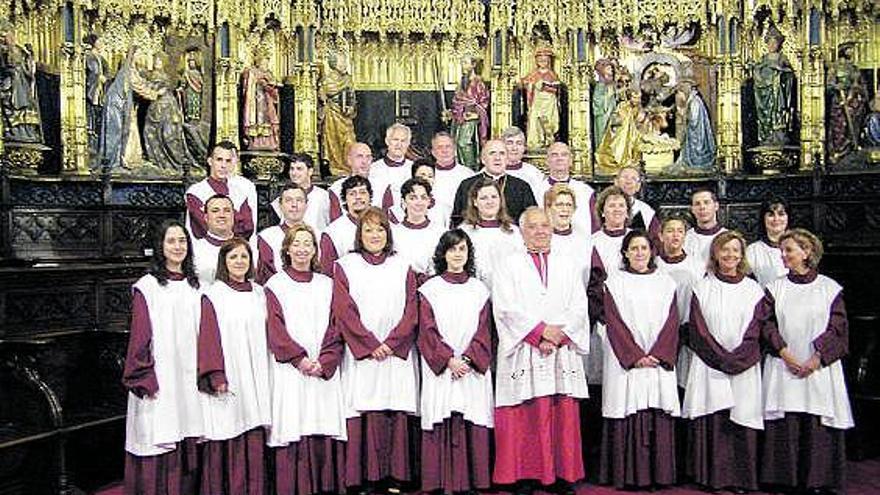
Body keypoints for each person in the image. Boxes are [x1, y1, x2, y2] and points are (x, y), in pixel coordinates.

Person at [492, 207, 589, 495]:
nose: (540, 231)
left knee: (561, 411)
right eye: (533, 226)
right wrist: (539, 333)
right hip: (525, 347)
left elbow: (579, 305)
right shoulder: (508, 263)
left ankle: (563, 473)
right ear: (522, 231)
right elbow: (505, 307)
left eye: (545, 225)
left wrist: (558, 335)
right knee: (525, 413)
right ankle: (526, 474)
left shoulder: (568, 262)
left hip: (560, 348)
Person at [331, 207, 419, 494]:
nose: (374, 235)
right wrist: (369, 344)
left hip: (395, 353)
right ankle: (365, 476)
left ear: (388, 233)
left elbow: (411, 309)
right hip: (363, 354)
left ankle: (396, 475)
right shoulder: (345, 265)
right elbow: (344, 311)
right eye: (368, 230)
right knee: (365, 409)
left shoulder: (403, 265)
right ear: (359, 234)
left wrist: (392, 343)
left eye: (380, 229)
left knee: (395, 409)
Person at [760, 228, 854, 493]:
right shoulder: (775, 287)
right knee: (786, 420)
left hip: (818, 367)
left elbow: (838, 327)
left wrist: (817, 357)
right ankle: (784, 479)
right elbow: (767, 325)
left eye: (788, 250)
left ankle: (818, 480)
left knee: (815, 420)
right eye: (782, 251)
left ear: (807, 252)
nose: (783, 255)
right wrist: (785, 352)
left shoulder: (829, 288)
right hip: (784, 363)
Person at [264, 224, 347, 495]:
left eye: (307, 244)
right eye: (296, 243)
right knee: (294, 420)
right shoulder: (275, 285)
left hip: (323, 367)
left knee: (322, 419)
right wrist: (299, 359)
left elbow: (337, 324)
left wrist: (326, 359)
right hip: (293, 369)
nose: (302, 249)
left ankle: (325, 485)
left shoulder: (327, 284)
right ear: (287, 249)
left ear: (315, 250)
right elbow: (275, 328)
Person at [682, 231, 768, 492]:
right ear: (715, 254)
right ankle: (712, 477)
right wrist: (719, 358)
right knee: (713, 414)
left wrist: (739, 358)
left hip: (744, 365)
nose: (730, 255)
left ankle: (741, 478)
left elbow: (758, 328)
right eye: (724, 250)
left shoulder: (754, 290)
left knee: (741, 416)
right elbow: (697, 328)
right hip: (710, 364)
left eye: (735, 250)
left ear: (742, 255)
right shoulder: (702, 287)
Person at [123, 220, 203, 495]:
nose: (178, 246)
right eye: (171, 241)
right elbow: (140, 336)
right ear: (160, 246)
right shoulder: (148, 287)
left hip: (188, 373)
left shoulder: (196, 286)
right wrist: (142, 375)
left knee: (185, 429)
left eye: (182, 241)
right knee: (159, 433)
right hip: (160, 375)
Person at [598, 230, 680, 490]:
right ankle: (628, 475)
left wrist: (658, 353)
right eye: (634, 248)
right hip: (627, 363)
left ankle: (660, 474)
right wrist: (634, 356)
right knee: (627, 407)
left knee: (656, 406)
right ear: (625, 253)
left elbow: (672, 321)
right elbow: (613, 322)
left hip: (657, 360)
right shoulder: (614, 283)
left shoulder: (666, 283)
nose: (640, 253)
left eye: (644, 248)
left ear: (652, 251)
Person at [417, 229, 493, 495]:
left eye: (462, 249)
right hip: (443, 368)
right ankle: (439, 481)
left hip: (470, 368)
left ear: (469, 253)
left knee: (471, 413)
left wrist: (469, 359)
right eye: (452, 249)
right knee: (442, 412)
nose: (457, 254)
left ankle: (472, 480)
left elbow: (485, 330)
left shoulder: (479, 289)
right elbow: (427, 330)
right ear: (443, 254)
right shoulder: (429, 290)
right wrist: (448, 359)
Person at [197, 237, 271, 494]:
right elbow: (208, 337)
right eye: (233, 257)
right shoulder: (213, 294)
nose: (239, 262)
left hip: (258, 372)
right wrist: (216, 375)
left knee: (254, 427)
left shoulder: (260, 292)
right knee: (229, 429)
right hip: (230, 373)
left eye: (244, 257)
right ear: (223, 262)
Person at [655, 215, 705, 386]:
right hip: (660, 334)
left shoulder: (698, 266)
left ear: (685, 235)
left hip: (689, 332)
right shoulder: (654, 265)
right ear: (661, 236)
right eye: (670, 231)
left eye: (680, 231)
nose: (675, 235)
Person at [452, 139, 537, 226]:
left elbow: (532, 219)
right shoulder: (467, 185)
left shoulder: (522, 187)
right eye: (492, 153)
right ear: (483, 159)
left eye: (502, 153)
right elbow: (457, 219)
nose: (497, 158)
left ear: (507, 159)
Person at [184, 141, 257, 242]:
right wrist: (236, 217)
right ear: (210, 161)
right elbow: (206, 227)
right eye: (219, 160)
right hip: (204, 250)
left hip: (235, 250)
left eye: (228, 161)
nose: (223, 165)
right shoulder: (195, 192)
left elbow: (248, 227)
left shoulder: (240, 192)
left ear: (233, 164)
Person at [458, 177, 522, 288]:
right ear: (475, 202)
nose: (490, 202)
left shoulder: (514, 232)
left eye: (494, 197)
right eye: (483, 198)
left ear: (500, 200)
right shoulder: (464, 232)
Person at [534, 142, 597, 234]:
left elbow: (596, 225)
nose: (559, 158)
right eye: (554, 155)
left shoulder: (586, 191)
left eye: (564, 155)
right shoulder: (536, 190)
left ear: (571, 160)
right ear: (547, 161)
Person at [390, 177, 445, 277]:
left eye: (423, 197)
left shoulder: (441, 233)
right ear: (403, 202)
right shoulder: (393, 233)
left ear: (429, 201)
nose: (419, 203)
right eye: (412, 198)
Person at [256, 184, 308, 284]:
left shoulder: (318, 235)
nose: (294, 205)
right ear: (280, 205)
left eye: (299, 200)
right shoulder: (267, 237)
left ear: (306, 205)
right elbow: (264, 274)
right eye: (288, 200)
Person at [320, 175, 373, 274]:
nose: (358, 197)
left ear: (370, 196)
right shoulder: (332, 232)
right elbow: (328, 271)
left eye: (362, 192)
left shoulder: (383, 226)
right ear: (344, 199)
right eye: (352, 194)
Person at [753, 27, 794, 146]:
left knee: (778, 111)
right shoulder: (763, 59)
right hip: (764, 92)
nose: (772, 45)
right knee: (766, 114)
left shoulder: (782, 58)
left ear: (779, 44)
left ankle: (778, 135)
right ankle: (767, 136)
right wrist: (760, 77)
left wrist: (780, 71)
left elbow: (790, 73)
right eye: (769, 42)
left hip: (778, 91)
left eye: (774, 42)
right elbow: (756, 72)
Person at [447, 56, 490, 170]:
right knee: (456, 144)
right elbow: (457, 100)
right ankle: (461, 167)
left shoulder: (478, 82)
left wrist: (475, 113)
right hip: (460, 117)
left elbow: (483, 101)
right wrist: (454, 112)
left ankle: (470, 168)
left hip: (471, 118)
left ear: (473, 65)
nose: (463, 66)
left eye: (465, 63)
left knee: (464, 143)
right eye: (462, 63)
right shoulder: (462, 82)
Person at [271, 153, 332, 233]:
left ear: (310, 171)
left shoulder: (324, 196)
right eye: (292, 169)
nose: (294, 173)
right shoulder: (281, 198)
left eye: (299, 169)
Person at [0, 29, 42, 143]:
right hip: (10, 84)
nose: (3, 39)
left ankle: (27, 132)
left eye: (5, 36)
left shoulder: (19, 50)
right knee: (11, 106)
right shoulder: (3, 50)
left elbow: (29, 70)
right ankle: (14, 131)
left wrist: (30, 56)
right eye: (1, 37)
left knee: (26, 107)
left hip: (22, 85)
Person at [320, 51, 357, 176]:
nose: (344, 65)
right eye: (342, 62)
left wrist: (351, 107)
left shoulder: (347, 79)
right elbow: (322, 95)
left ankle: (348, 166)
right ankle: (336, 166)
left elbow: (352, 96)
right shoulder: (327, 80)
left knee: (349, 140)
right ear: (334, 63)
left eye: (345, 62)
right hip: (332, 114)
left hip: (345, 116)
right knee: (333, 140)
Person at [328, 142, 385, 220]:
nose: (364, 161)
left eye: (368, 157)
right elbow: (335, 221)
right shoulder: (336, 188)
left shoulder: (383, 186)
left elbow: (386, 219)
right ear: (349, 160)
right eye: (359, 156)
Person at [521, 46, 561, 150]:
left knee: (548, 120)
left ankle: (548, 140)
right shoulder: (534, 74)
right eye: (540, 60)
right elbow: (525, 83)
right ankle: (537, 142)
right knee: (535, 120)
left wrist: (545, 86)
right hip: (537, 101)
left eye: (545, 60)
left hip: (549, 101)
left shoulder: (551, 74)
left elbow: (556, 88)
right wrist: (531, 85)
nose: (543, 62)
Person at [595, 89, 642, 176]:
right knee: (618, 147)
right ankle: (619, 162)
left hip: (630, 132)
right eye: (634, 98)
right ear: (629, 98)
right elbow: (618, 118)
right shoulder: (623, 106)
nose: (637, 100)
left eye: (638, 98)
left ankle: (628, 161)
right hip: (620, 131)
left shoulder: (636, 107)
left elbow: (636, 120)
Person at [192, 194, 236, 286]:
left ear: (233, 216)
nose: (221, 215)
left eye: (227, 211)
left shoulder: (249, 248)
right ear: (206, 218)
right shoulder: (193, 249)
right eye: (215, 211)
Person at [430, 132, 474, 222]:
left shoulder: (467, 174)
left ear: (454, 149)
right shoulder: (427, 174)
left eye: (448, 146)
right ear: (433, 152)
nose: (444, 150)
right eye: (440, 147)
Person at [746, 196, 789, 286]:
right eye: (771, 215)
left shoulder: (800, 247)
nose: (776, 219)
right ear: (763, 219)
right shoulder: (752, 251)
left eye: (781, 214)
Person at [672, 81, 716, 171]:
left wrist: (683, 115)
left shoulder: (695, 101)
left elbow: (694, 120)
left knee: (697, 149)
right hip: (693, 133)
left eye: (680, 93)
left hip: (697, 133)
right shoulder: (691, 101)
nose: (679, 96)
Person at [241, 54, 280, 151]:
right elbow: (247, 86)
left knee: (268, 121)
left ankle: (269, 143)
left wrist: (269, 85)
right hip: (255, 102)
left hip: (267, 102)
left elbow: (274, 87)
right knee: (256, 120)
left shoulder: (269, 73)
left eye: (267, 63)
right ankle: (255, 142)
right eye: (263, 63)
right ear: (258, 63)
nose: (265, 65)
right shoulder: (252, 72)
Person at [374, 124, 414, 211]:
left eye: (403, 141)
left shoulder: (414, 169)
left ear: (408, 144)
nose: (399, 144)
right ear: (387, 141)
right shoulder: (373, 169)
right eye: (395, 140)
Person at [614, 166, 659, 243]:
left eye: (633, 179)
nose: (629, 182)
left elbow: (655, 240)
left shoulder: (646, 210)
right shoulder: (604, 208)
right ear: (616, 182)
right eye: (625, 177)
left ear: (638, 186)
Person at [683, 188, 726, 269]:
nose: (702, 207)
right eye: (697, 204)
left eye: (706, 202)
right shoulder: (685, 238)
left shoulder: (728, 238)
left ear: (716, 206)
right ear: (692, 209)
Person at [502, 127, 545, 199]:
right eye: (509, 143)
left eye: (519, 143)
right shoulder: (492, 171)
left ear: (524, 148)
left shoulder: (534, 173)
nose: (514, 148)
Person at [84, 34, 109, 154]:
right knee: (91, 117)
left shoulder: (100, 58)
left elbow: (106, 71)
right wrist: (99, 77)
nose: (102, 43)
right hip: (93, 92)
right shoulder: (90, 57)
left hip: (100, 92)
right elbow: (93, 72)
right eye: (99, 41)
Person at [592, 59, 618, 151]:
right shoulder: (600, 86)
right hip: (603, 116)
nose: (611, 70)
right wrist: (608, 96)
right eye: (608, 68)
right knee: (603, 135)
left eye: (611, 68)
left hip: (611, 114)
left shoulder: (611, 84)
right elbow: (597, 102)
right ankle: (602, 154)